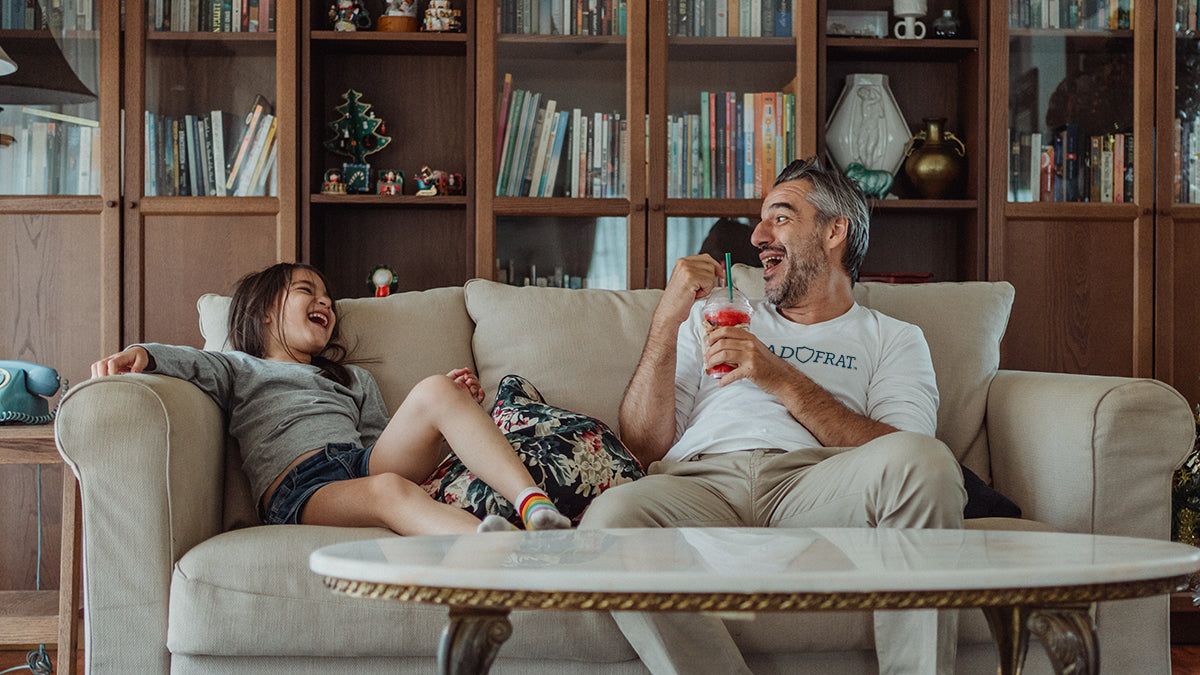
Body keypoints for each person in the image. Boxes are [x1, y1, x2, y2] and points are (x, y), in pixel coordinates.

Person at [580, 157, 965, 674]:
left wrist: (779, 377)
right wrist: (669, 317)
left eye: (780, 217)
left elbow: (907, 453)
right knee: (611, 518)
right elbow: (644, 445)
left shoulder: (892, 338)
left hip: (815, 484)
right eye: (761, 221)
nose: (759, 235)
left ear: (835, 231)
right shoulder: (713, 314)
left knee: (927, 462)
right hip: (703, 484)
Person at [91, 262, 569, 535]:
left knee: (436, 389)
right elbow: (189, 361)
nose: (324, 303)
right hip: (302, 488)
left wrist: (445, 415)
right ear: (262, 314)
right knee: (389, 493)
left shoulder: (353, 380)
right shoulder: (238, 366)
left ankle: (534, 507)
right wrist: (141, 355)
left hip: (362, 462)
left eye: (328, 299)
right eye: (307, 292)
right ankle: (508, 555)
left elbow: (381, 444)